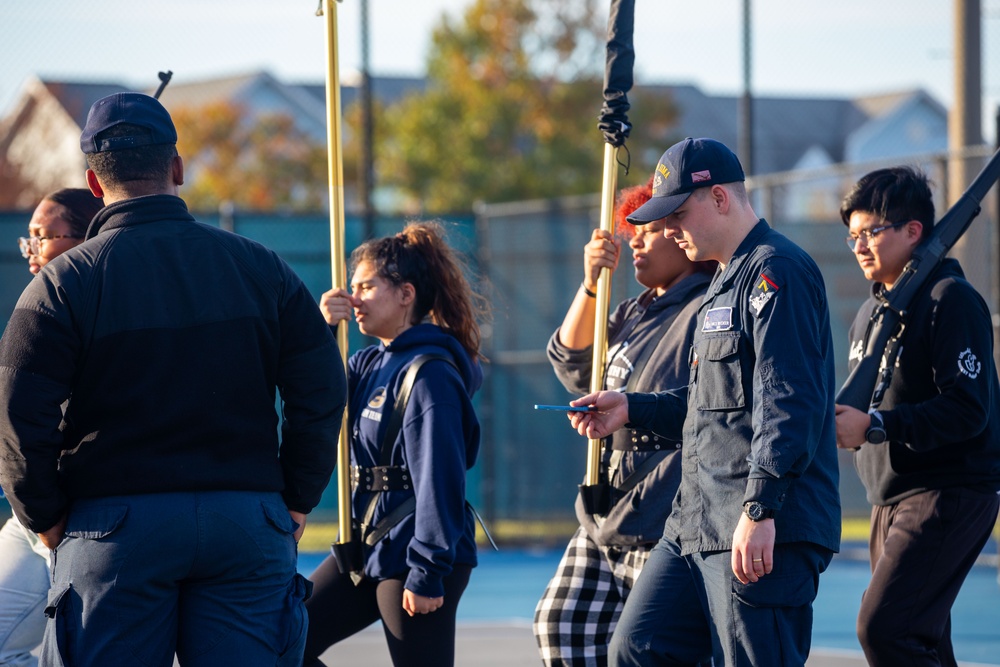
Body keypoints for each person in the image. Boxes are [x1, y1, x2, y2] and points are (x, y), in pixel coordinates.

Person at [0, 92, 347, 666]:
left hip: (112, 528)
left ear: (93, 181)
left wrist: (46, 517)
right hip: (246, 518)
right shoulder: (261, 267)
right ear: (178, 169)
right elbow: (322, 389)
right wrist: (295, 495)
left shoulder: (64, 283)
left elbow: (17, 411)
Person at [566, 137, 841, 666]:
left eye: (677, 213)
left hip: (758, 524)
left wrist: (761, 507)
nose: (668, 228)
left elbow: (790, 403)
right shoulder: (721, 282)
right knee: (639, 648)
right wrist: (633, 407)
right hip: (696, 520)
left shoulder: (775, 270)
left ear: (720, 198)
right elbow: (711, 404)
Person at [533, 176, 715, 666]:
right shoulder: (633, 309)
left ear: (682, 236)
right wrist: (591, 283)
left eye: (649, 229)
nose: (634, 239)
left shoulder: (705, 308)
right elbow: (573, 363)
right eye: (630, 228)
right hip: (605, 506)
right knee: (562, 623)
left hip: (661, 508)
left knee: (647, 648)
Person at [302, 221, 488, 667]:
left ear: (406, 294)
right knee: (279, 639)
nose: (354, 298)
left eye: (366, 287)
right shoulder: (366, 361)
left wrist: (427, 572)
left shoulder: (430, 375)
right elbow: (316, 396)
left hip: (414, 553)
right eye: (352, 287)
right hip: (365, 546)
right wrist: (325, 328)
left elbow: (440, 482)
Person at [835, 166, 1000, 667]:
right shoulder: (870, 314)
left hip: (946, 491)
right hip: (890, 495)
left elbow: (968, 408)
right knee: (919, 639)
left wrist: (878, 427)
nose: (860, 245)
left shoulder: (951, 301)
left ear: (914, 231)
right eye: (852, 236)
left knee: (885, 629)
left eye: (872, 232)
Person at [0, 188, 102, 667]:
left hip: (82, 519)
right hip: (35, 514)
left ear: (85, 237)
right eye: (29, 238)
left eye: (43, 237)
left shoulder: (107, 306)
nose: (31, 250)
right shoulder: (37, 305)